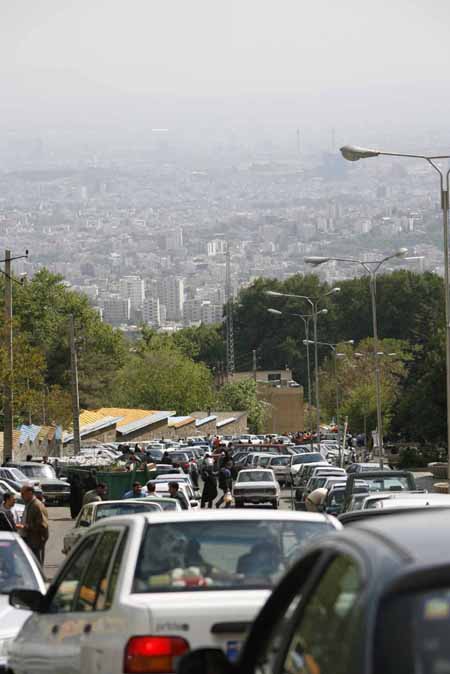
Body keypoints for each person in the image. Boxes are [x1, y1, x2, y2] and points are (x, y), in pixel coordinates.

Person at [21, 484, 49, 565]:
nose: (21, 496)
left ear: (30, 493)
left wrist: (27, 526)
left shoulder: (36, 505)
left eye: (23, 493)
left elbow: (42, 525)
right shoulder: (29, 504)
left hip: (36, 541)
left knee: (37, 564)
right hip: (29, 540)